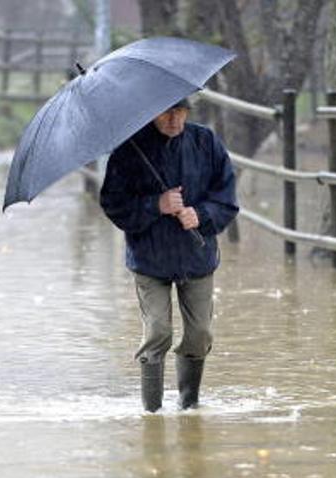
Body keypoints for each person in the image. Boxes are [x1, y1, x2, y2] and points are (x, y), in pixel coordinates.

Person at [99, 98, 239, 412]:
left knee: (200, 333)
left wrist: (201, 216)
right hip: (150, 259)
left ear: (189, 111)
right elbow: (113, 204)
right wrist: (156, 205)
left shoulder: (206, 142)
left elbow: (227, 199)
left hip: (196, 256)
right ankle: (152, 412)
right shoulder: (129, 149)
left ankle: (189, 407)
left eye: (180, 112)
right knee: (158, 331)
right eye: (166, 112)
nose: (174, 120)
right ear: (152, 112)